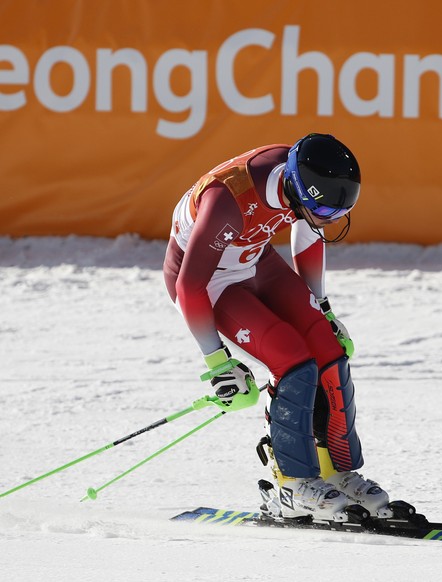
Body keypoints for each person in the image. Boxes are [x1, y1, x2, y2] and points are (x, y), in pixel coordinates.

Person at [163, 133, 391, 522]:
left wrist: (324, 310)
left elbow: (308, 233)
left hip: (255, 259)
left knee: (328, 350)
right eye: (322, 211)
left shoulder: (301, 183)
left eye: (337, 214)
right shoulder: (227, 201)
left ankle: (334, 471)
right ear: (296, 189)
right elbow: (188, 284)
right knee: (292, 360)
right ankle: (291, 483)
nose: (329, 221)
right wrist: (218, 363)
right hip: (208, 280)